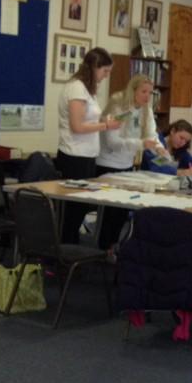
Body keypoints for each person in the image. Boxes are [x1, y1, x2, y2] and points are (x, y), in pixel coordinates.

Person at [56, 47, 120, 244]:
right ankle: (65, 247)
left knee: (80, 208)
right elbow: (77, 126)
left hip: (86, 156)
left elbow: (88, 119)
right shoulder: (77, 88)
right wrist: (106, 125)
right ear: (94, 67)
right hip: (74, 156)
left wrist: (105, 119)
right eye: (104, 71)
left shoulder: (87, 90)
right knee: (73, 209)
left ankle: (70, 244)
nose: (106, 76)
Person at [95, 74, 166, 249]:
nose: (147, 96)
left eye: (150, 92)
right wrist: (141, 144)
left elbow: (151, 133)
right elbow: (113, 141)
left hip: (126, 165)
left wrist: (159, 147)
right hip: (108, 163)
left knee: (122, 210)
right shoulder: (119, 108)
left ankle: (112, 247)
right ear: (132, 90)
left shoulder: (145, 109)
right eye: (143, 91)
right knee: (111, 211)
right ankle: (104, 247)